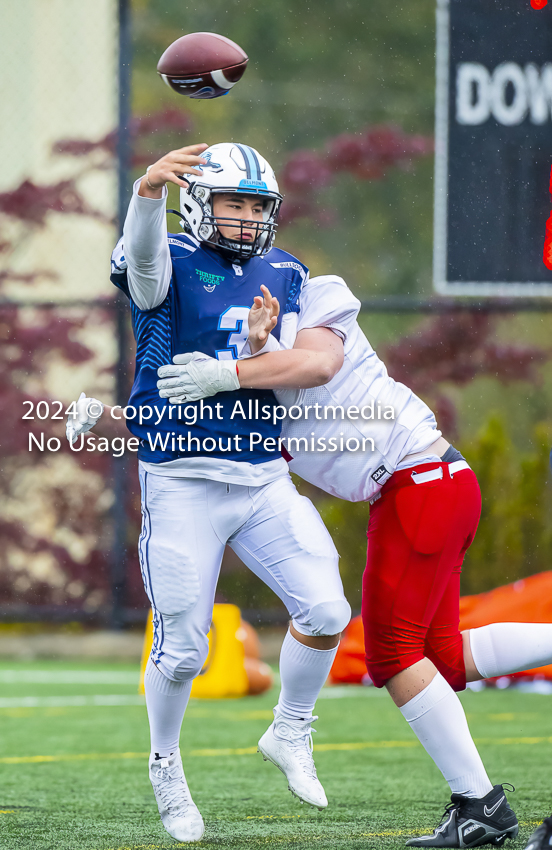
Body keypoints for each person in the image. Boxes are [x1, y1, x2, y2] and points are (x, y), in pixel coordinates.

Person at [156, 274, 552, 848]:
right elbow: (189, 433)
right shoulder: (239, 353)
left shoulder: (317, 293)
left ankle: (480, 805)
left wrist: (232, 369)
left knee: (391, 656)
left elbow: (314, 366)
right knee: (438, 656)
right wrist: (112, 418)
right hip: (424, 487)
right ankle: (481, 804)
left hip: (419, 482)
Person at [67, 144, 352, 843]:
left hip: (260, 476)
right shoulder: (165, 250)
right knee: (185, 651)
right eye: (235, 202)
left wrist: (257, 351)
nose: (249, 218)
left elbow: (271, 371)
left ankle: (290, 730)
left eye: (259, 206)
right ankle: (165, 763)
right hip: (182, 479)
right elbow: (139, 270)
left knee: (327, 608)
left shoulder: (285, 272)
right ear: (199, 203)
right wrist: (145, 194)